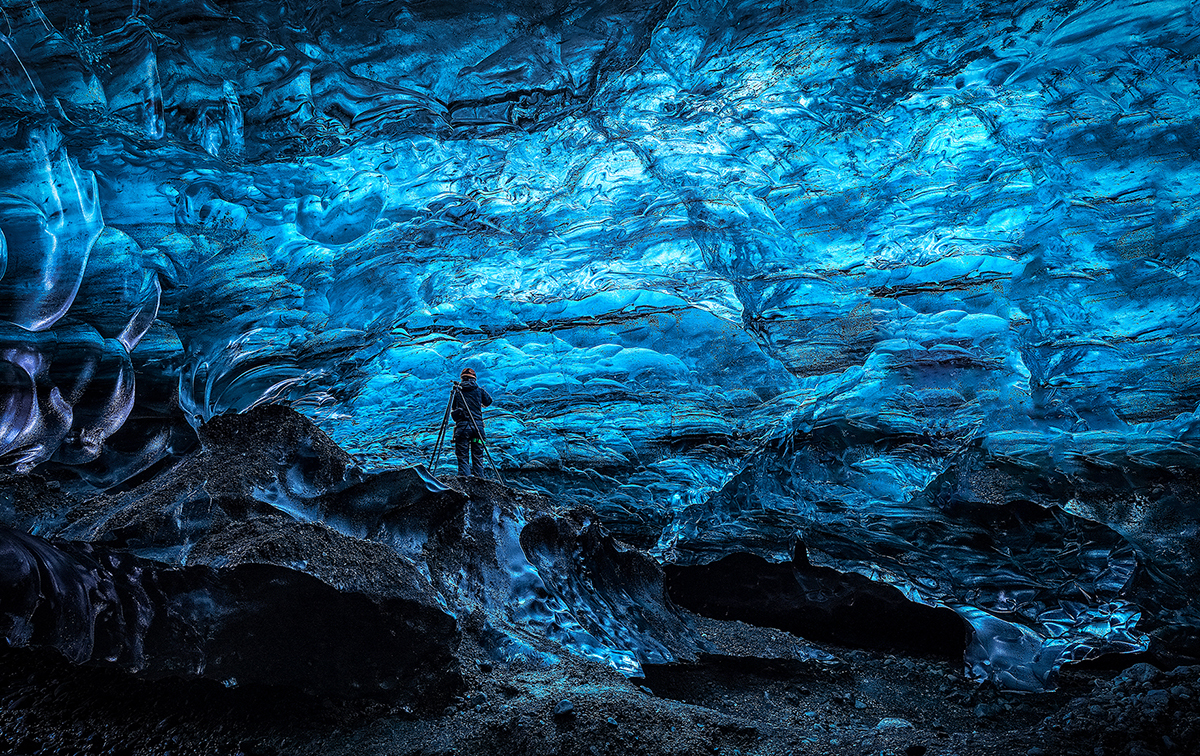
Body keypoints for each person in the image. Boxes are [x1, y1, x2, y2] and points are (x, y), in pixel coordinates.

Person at [451, 367, 493, 478]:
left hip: (463, 429)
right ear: (474, 379)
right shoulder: (479, 391)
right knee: (478, 456)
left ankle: (466, 482)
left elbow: (454, 408)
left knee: (463, 456)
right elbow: (488, 401)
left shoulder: (458, 392)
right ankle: (479, 483)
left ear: (462, 379)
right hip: (477, 429)